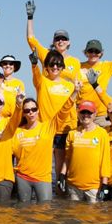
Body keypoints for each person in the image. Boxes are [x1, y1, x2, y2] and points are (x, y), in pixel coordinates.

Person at [14, 61, 79, 203]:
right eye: (27, 111)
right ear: (23, 114)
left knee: (44, 213)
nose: (30, 113)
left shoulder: (48, 127)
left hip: (42, 179)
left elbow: (63, 112)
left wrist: (74, 93)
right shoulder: (17, 131)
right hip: (22, 177)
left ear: (38, 111)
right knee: (22, 213)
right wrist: (18, 106)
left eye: (33, 110)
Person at [28, 49, 75, 189]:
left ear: (62, 67)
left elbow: (71, 109)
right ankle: (42, 195)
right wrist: (34, 64)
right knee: (43, 165)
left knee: (61, 168)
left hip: (64, 131)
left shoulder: (70, 86)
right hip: (46, 129)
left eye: (58, 65)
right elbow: (36, 75)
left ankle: (60, 197)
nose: (55, 67)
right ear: (46, 66)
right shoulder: (42, 82)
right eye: (52, 64)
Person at [61, 101, 112, 203]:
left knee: (93, 217)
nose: (86, 115)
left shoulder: (102, 134)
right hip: (73, 185)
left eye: (89, 113)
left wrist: (105, 184)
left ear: (95, 114)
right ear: (78, 113)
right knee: (73, 217)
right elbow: (67, 158)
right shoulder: (72, 133)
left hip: (93, 187)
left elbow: (105, 160)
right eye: (83, 112)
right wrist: (62, 175)